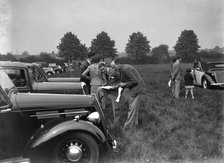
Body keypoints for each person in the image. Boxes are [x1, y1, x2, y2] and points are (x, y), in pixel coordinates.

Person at [110, 58, 145, 130]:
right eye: (112, 68)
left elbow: (135, 81)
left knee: (132, 108)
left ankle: (127, 127)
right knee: (134, 107)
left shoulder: (126, 69)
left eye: (114, 67)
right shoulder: (120, 69)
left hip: (137, 88)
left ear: (118, 64)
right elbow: (122, 79)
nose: (113, 69)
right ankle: (135, 124)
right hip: (133, 88)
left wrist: (124, 84)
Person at [97, 64, 121, 128]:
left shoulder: (113, 72)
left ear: (105, 67)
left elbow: (121, 80)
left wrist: (115, 86)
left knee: (116, 107)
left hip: (115, 89)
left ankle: (116, 123)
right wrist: (104, 84)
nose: (102, 71)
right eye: (101, 70)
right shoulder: (102, 73)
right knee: (99, 90)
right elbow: (105, 81)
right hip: (108, 88)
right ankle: (102, 109)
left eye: (103, 69)